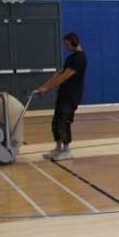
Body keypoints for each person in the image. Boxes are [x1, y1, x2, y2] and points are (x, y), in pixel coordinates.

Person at [39, 32, 87, 161]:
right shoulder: (70, 58)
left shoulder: (80, 58)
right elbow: (59, 74)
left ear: (74, 42)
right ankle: (58, 148)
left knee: (64, 121)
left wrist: (47, 88)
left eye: (67, 44)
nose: (66, 47)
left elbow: (64, 77)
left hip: (72, 95)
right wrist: (44, 86)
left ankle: (67, 151)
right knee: (56, 121)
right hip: (63, 94)